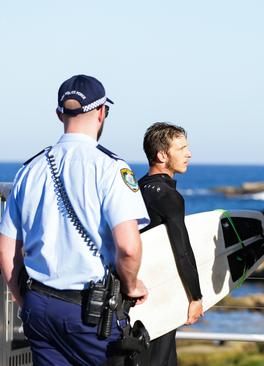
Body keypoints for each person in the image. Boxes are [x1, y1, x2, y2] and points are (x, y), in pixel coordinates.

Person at [0, 74, 150, 365]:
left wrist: (23, 298)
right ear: (102, 112)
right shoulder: (111, 168)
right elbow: (129, 248)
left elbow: (6, 250)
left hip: (39, 305)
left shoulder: (29, 170)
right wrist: (132, 286)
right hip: (89, 313)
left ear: (59, 115)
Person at [138, 122, 203, 365]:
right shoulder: (167, 195)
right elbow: (182, 250)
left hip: (136, 292)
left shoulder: (137, 188)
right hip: (161, 294)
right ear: (162, 155)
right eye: (182, 148)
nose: (189, 153)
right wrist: (195, 297)